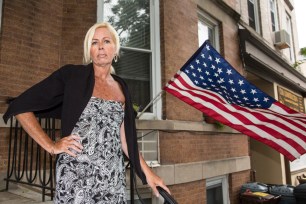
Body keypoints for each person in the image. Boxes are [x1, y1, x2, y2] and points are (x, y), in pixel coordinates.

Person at [3, 22, 169, 203]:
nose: (100, 47)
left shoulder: (122, 87)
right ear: (88, 50)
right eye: (94, 42)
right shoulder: (72, 76)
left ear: (116, 48)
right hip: (75, 178)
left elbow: (126, 139)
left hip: (112, 180)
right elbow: (22, 106)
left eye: (106, 41)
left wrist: (149, 174)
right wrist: (51, 146)